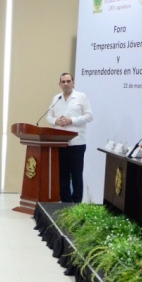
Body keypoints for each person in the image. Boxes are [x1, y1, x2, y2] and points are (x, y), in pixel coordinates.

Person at [47, 73, 93, 203]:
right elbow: (49, 117)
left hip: (77, 142)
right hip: (60, 142)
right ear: (60, 84)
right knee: (63, 173)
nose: (66, 84)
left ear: (73, 82)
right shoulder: (56, 98)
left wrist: (71, 120)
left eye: (68, 81)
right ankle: (65, 201)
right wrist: (56, 121)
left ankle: (77, 202)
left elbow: (89, 116)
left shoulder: (81, 97)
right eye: (63, 82)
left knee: (76, 173)